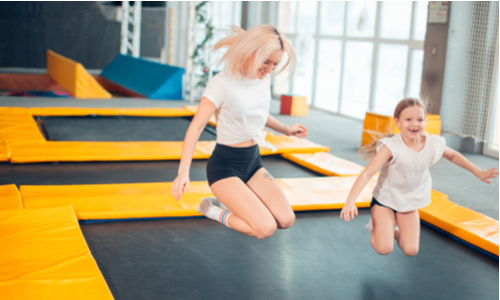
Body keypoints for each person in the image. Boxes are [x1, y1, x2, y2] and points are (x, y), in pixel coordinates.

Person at [171, 25, 308, 239]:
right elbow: (196, 126)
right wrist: (183, 172)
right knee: (265, 228)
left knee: (285, 220)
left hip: (252, 161)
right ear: (252, 52)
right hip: (224, 168)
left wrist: (286, 129)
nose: (270, 69)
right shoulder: (221, 84)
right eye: (266, 62)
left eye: (275, 64)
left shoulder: (263, 79)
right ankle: (212, 209)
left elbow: (258, 114)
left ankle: (235, 200)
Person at [340, 98, 498, 256]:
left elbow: (453, 155)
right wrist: (350, 201)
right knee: (384, 248)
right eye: (408, 119)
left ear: (425, 121)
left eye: (420, 119)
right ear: (398, 122)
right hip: (385, 201)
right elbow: (367, 173)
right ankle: (376, 227)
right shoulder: (391, 147)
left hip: (410, 201)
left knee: (411, 250)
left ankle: (393, 231)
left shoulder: (432, 144)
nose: (415, 124)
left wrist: (478, 171)